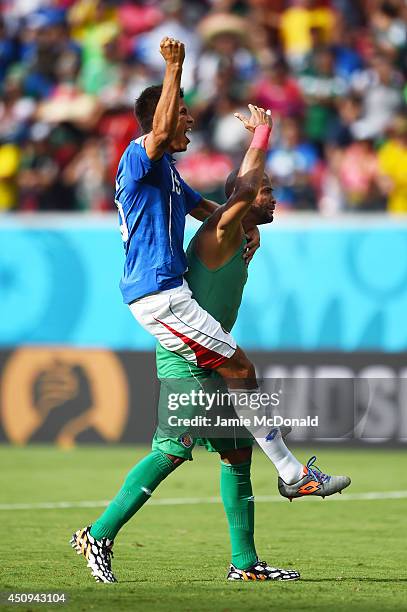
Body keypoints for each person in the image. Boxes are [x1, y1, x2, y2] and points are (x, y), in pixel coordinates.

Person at [70, 106, 350, 583]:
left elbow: (238, 195)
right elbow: (239, 191)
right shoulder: (220, 231)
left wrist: (250, 206)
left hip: (204, 347)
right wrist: (262, 135)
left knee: (237, 455)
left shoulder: (239, 232)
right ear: (241, 203)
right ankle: (99, 533)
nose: (272, 198)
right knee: (173, 449)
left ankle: (245, 565)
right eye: (267, 193)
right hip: (186, 353)